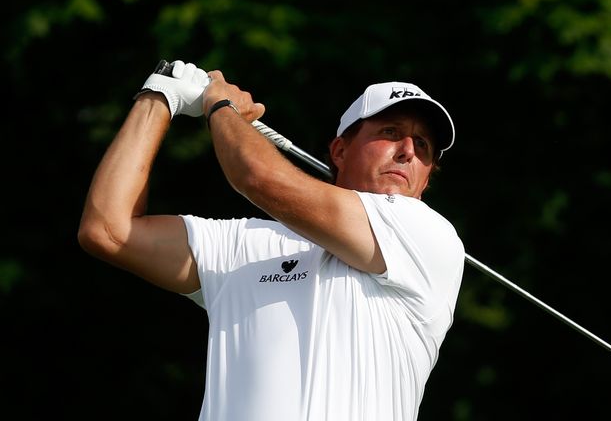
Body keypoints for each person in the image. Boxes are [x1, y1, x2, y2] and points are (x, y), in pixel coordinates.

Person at [78, 60, 465, 421]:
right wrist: (160, 96)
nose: (409, 151)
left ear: (427, 177)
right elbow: (108, 230)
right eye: (390, 132)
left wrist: (221, 107)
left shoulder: (428, 237)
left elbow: (257, 176)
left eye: (424, 146)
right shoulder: (244, 245)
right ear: (340, 151)